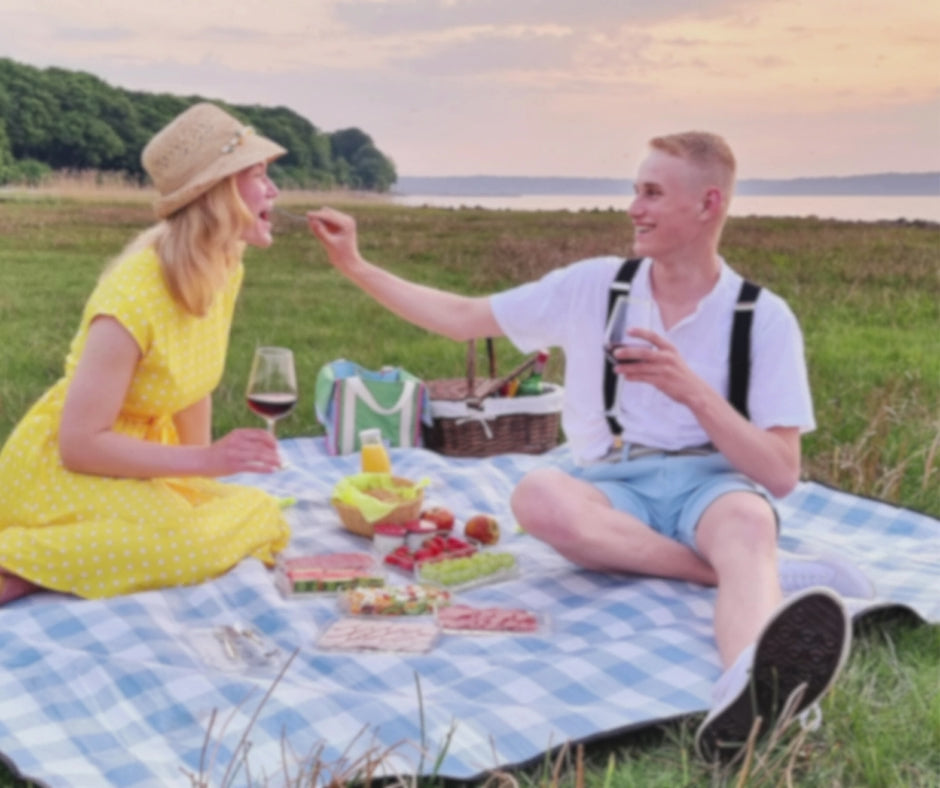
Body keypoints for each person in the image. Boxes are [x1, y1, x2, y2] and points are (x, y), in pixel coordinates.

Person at [305, 131, 874, 762]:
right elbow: (463, 316)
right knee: (538, 495)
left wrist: (694, 394)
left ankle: (751, 692)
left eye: (652, 193)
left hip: (712, 486)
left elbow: (782, 473)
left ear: (709, 204)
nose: (634, 208)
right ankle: (756, 575)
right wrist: (355, 265)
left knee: (746, 519)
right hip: (614, 483)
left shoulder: (762, 317)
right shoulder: (595, 286)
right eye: (635, 191)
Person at [0, 102, 291, 605]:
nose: (274, 191)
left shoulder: (222, 267)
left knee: (263, 509)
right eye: (258, 175)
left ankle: (51, 562)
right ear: (218, 193)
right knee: (188, 542)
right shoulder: (131, 296)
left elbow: (191, 384)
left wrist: (198, 476)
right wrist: (205, 459)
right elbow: (80, 444)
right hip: (66, 467)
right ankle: (19, 561)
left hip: (140, 456)